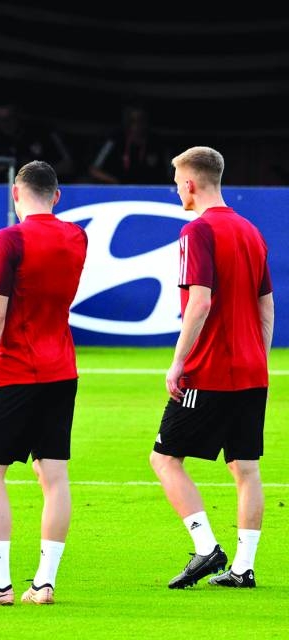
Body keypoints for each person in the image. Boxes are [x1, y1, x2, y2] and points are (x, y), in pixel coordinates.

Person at [0, 160, 87, 606]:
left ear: (15, 193)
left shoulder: (8, 239)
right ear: (57, 196)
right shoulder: (76, 236)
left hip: (15, 371)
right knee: (54, 475)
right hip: (62, 369)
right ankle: (44, 582)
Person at [149, 146, 273, 590]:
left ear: (190, 183)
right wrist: (259, 358)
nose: (175, 188)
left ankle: (206, 548)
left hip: (210, 370)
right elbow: (266, 306)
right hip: (252, 370)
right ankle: (244, 567)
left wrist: (177, 363)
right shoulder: (251, 232)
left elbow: (199, 302)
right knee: (246, 469)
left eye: (176, 180)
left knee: (164, 459)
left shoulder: (197, 233)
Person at [0, 103, 75, 183]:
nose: (5, 125)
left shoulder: (42, 132)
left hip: (44, 191)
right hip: (7, 193)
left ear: (17, 115)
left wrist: (36, 171)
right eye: (0, 120)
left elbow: (68, 165)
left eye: (8, 119)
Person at [87, 104, 170, 185]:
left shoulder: (157, 143)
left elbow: (171, 174)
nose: (137, 125)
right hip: (118, 191)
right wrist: (114, 182)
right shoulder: (114, 140)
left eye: (141, 120)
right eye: (132, 121)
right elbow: (94, 170)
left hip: (150, 192)